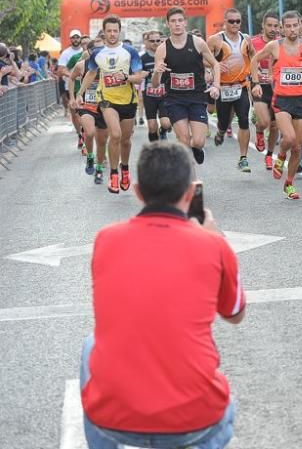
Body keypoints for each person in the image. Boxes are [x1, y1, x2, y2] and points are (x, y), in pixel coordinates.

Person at [80, 141, 245, 449]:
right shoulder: (213, 245)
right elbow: (235, 313)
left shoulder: (106, 240)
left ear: (139, 192)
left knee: (90, 343)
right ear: (189, 192)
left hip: (114, 421)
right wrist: (216, 238)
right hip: (193, 423)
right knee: (225, 406)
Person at [250, 11, 302, 199]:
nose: (292, 29)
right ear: (282, 28)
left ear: (300, 26)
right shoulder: (275, 46)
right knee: (288, 138)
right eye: (287, 26)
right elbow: (254, 60)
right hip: (281, 100)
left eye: (295, 25)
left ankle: (289, 184)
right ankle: (280, 156)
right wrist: (256, 83)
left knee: (297, 146)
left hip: (301, 100)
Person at [74, 16, 144, 194]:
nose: (112, 34)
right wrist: (79, 94)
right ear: (104, 32)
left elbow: (139, 76)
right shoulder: (98, 53)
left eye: (115, 31)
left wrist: (127, 77)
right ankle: (113, 174)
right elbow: (90, 74)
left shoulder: (130, 51)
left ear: (119, 31)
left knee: (126, 140)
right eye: (109, 31)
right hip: (106, 99)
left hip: (128, 100)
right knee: (115, 134)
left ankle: (125, 169)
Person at [151, 8, 221, 166]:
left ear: (185, 22)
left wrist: (216, 86)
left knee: (198, 141)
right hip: (174, 100)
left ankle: (197, 149)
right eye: (173, 21)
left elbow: (215, 64)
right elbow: (155, 84)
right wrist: (156, 72)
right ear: (168, 24)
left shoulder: (198, 43)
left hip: (197, 98)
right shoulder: (162, 49)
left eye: (180, 21)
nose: (177, 24)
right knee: (184, 140)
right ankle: (190, 181)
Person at [208, 9, 255, 172]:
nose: (235, 24)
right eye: (231, 21)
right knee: (223, 121)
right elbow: (202, 60)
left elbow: (253, 58)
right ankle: (221, 131)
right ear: (225, 22)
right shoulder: (215, 40)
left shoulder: (246, 39)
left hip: (241, 86)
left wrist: (255, 81)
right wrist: (215, 64)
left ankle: (243, 158)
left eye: (238, 21)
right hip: (223, 88)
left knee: (243, 119)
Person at [68, 39, 108, 184]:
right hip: (87, 105)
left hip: (105, 105)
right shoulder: (81, 65)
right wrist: (73, 97)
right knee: (90, 132)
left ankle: (99, 170)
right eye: (96, 50)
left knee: (102, 141)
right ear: (89, 51)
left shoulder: (110, 65)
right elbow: (71, 79)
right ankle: (90, 157)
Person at [250, 11, 282, 170]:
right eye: (269, 25)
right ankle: (259, 129)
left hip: (277, 88)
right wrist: (254, 81)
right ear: (263, 25)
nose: (272, 28)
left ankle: (269, 155)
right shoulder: (253, 42)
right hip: (259, 86)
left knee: (275, 126)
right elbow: (248, 62)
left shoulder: (282, 43)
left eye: (276, 26)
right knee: (264, 121)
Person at [140, 32, 172, 143]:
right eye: (152, 41)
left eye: (158, 40)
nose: (155, 43)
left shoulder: (168, 56)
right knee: (152, 127)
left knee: (166, 123)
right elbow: (138, 73)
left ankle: (163, 131)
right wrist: (144, 74)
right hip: (149, 95)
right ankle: (155, 149)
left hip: (164, 94)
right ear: (147, 42)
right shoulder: (143, 58)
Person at [58, 29, 85, 136]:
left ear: (80, 39)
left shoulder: (85, 52)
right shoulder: (66, 53)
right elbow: (61, 70)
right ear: (70, 39)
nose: (75, 39)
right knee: (74, 114)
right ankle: (80, 134)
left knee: (84, 112)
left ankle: (85, 134)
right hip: (71, 87)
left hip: (85, 86)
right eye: (73, 37)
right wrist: (72, 76)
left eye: (77, 37)